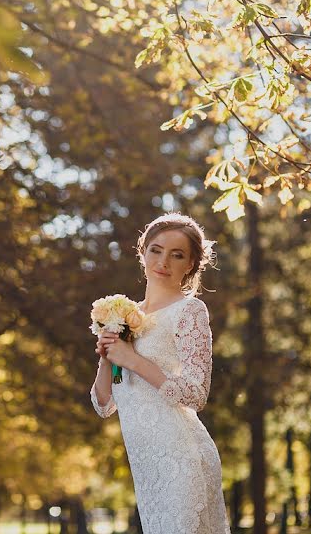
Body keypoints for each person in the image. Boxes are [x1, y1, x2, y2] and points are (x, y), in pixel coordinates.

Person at [90, 212, 230, 534]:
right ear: (142, 252)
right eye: (156, 250)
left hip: (183, 456)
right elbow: (103, 405)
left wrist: (133, 359)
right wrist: (108, 357)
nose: (163, 261)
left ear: (190, 264)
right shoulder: (124, 316)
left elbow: (196, 395)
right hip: (147, 464)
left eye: (176, 254)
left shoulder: (189, 311)